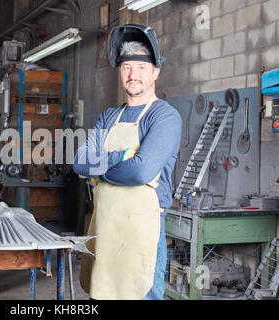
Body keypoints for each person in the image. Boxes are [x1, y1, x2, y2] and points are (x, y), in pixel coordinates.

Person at [73, 24, 182, 300]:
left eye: (142, 67)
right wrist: (119, 158)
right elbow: (80, 162)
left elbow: (141, 171)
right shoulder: (109, 116)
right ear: (119, 71)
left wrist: (101, 172)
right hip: (105, 232)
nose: (133, 75)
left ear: (156, 72)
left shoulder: (164, 117)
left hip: (141, 236)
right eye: (126, 67)